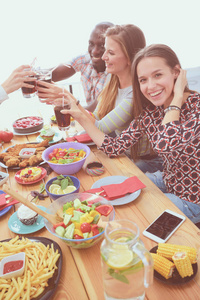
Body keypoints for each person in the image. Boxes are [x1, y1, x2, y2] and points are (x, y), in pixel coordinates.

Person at [60, 44, 200, 224]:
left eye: (158, 75)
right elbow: (114, 147)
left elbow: (166, 142)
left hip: (193, 200)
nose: (150, 86)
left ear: (176, 73)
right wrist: (80, 116)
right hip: (169, 179)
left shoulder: (196, 108)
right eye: (143, 80)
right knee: (110, 191)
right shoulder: (152, 112)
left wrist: (178, 95)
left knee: (133, 216)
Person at [56, 24, 163, 173]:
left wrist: (70, 101)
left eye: (110, 52)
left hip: (149, 163)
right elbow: (97, 117)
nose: (103, 56)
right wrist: (70, 102)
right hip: (125, 153)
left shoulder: (135, 94)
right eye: (106, 50)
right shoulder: (112, 79)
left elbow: (100, 128)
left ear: (129, 58)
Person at [36, 22, 114, 111]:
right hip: (89, 119)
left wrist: (66, 99)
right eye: (91, 44)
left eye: (102, 46)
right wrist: (31, 75)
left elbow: (96, 112)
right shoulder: (85, 58)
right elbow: (53, 73)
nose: (94, 51)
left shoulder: (115, 72)